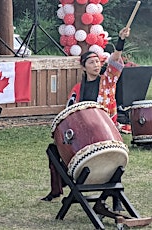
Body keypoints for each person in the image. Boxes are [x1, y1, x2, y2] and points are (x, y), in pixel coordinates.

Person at [42, 27, 131, 204]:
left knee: (113, 162)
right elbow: (69, 115)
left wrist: (120, 41)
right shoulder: (77, 90)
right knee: (53, 150)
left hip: (106, 132)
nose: (96, 65)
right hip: (85, 135)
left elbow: (115, 59)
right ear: (83, 67)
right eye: (91, 63)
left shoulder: (108, 80)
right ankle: (57, 190)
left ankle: (116, 200)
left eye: (98, 62)